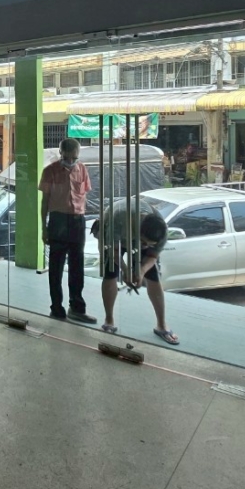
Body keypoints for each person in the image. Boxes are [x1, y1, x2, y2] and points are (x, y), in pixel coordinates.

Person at [92, 197, 179, 345]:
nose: (145, 246)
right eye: (143, 242)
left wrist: (142, 271)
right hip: (116, 233)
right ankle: (109, 320)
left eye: (149, 244)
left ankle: (161, 325)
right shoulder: (118, 220)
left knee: (153, 276)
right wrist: (126, 270)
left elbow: (152, 256)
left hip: (133, 232)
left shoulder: (161, 230)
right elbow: (114, 251)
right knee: (110, 272)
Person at [39, 138, 96, 323]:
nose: (71, 161)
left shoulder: (82, 169)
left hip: (77, 221)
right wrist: (44, 228)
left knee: (77, 267)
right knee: (56, 268)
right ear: (60, 153)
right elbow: (44, 202)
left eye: (74, 158)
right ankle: (56, 308)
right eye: (67, 157)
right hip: (58, 221)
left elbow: (84, 196)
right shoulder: (50, 171)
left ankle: (77, 308)